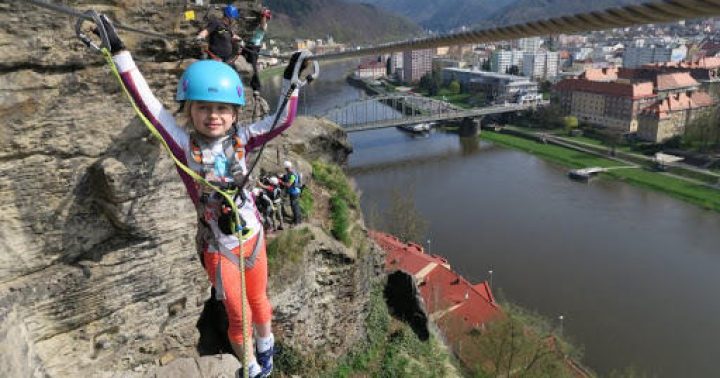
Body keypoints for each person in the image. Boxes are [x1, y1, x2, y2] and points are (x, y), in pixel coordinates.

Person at [98, 15, 309, 378]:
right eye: (204, 108)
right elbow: (148, 105)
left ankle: (266, 348)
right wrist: (119, 54)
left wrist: (294, 80)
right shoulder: (183, 145)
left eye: (222, 109)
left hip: (252, 237)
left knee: (260, 305)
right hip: (219, 246)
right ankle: (252, 367)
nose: (214, 116)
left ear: (234, 113)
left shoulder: (244, 138)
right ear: (190, 110)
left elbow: (282, 120)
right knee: (239, 315)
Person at [241, 8, 271, 92]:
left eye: (263, 17)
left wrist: (263, 15)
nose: (262, 18)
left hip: (254, 47)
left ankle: (256, 87)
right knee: (242, 63)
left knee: (253, 66)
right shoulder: (257, 23)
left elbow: (262, 25)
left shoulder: (264, 25)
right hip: (247, 45)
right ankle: (245, 82)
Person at [281, 160, 302, 225]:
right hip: (295, 191)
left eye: (285, 168)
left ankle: (296, 221)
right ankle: (298, 219)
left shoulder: (292, 174)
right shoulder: (294, 172)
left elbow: (289, 184)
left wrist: (281, 182)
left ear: (286, 168)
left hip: (294, 192)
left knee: (294, 207)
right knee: (296, 206)